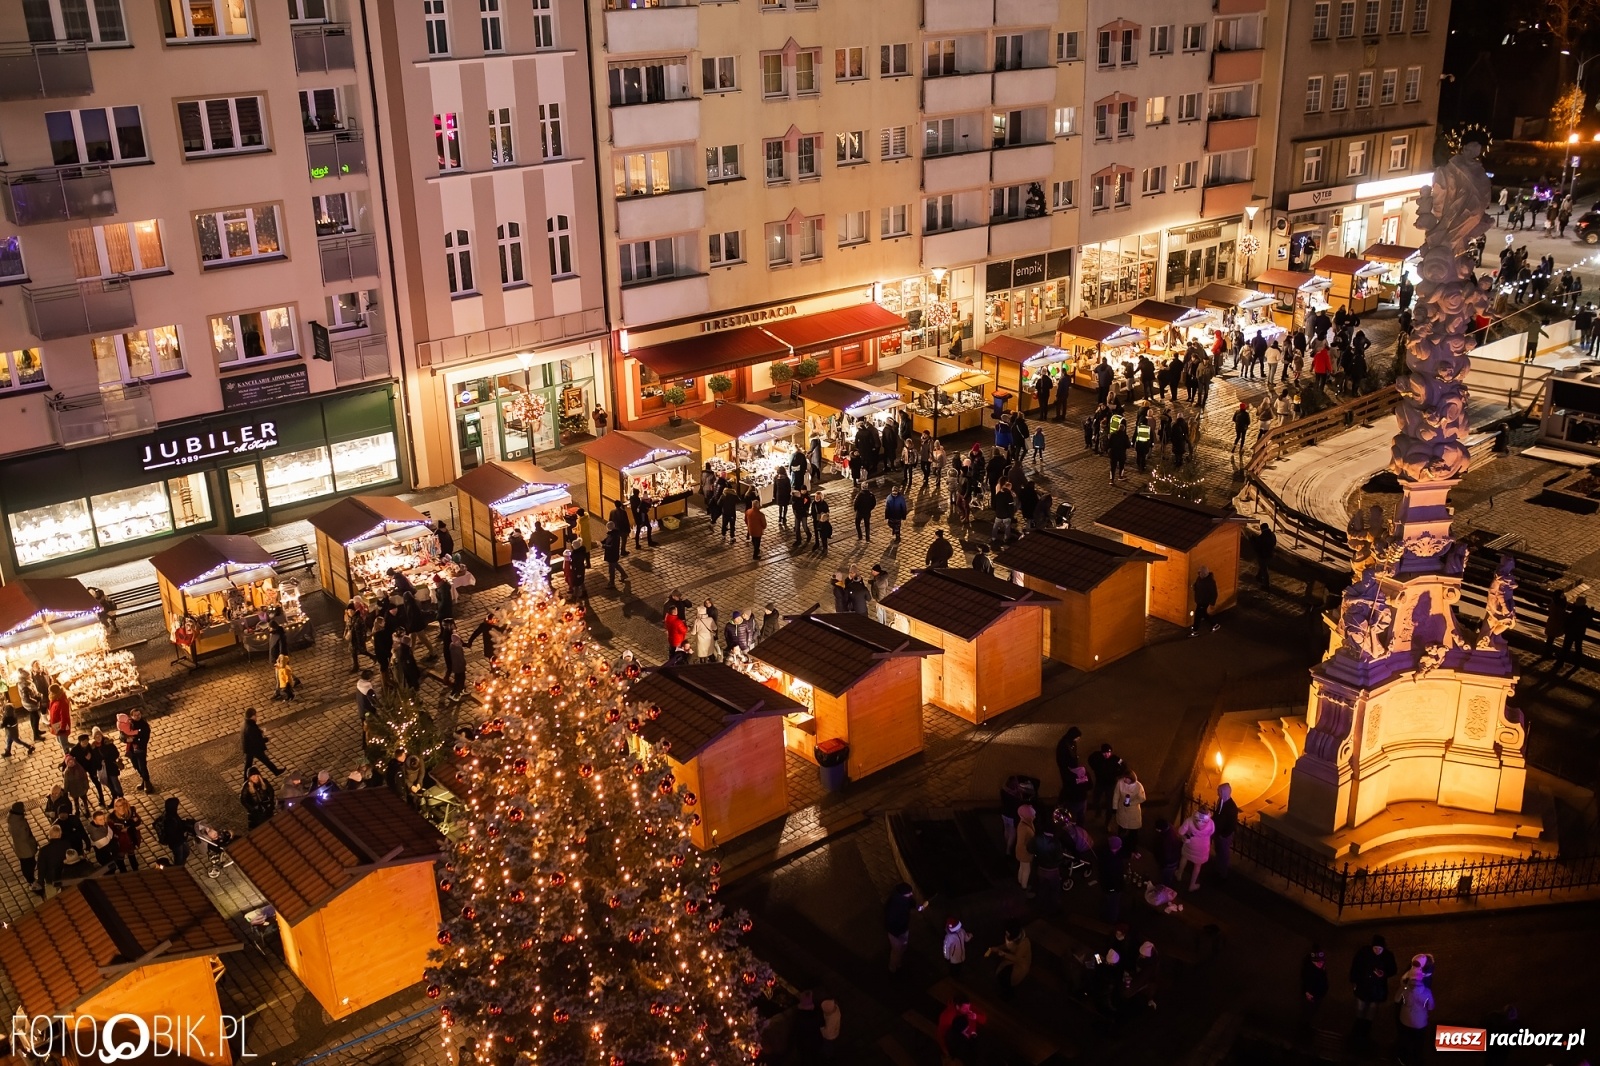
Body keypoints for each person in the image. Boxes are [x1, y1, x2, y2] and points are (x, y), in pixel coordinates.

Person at [1349, 934, 1398, 1045]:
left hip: (1377, 990)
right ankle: (1357, 1029)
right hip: (1363, 986)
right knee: (1360, 1009)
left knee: (1371, 1010)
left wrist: (1384, 973)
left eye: (1380, 949)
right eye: (1375, 948)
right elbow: (1355, 966)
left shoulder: (1388, 956)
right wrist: (1354, 981)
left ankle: (1366, 1031)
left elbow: (1393, 969)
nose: (1377, 951)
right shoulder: (1363, 953)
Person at [883, 882, 924, 972]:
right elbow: (890, 922)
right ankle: (892, 967)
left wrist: (917, 907)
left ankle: (898, 962)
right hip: (895, 933)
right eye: (909, 893)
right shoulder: (893, 906)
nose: (911, 894)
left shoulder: (905, 899)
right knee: (896, 951)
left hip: (903, 929)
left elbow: (911, 902)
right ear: (903, 894)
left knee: (903, 947)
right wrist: (896, 933)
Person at [986, 923, 1032, 1000]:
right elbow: (1008, 945)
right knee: (1002, 975)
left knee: (1007, 979)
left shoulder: (1024, 943)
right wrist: (998, 947)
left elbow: (1016, 958)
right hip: (1011, 961)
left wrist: (1003, 954)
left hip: (1020, 965)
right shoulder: (1014, 938)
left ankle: (1008, 995)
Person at [1177, 807, 1214, 890]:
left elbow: (1180, 832)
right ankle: (1192, 885)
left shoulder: (1190, 820)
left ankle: (1179, 874)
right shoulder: (1211, 823)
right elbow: (1212, 832)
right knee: (1197, 865)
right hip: (1203, 847)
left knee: (1184, 857)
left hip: (1190, 844)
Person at [1087, 742, 1125, 823]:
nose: (1107, 754)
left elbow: (1123, 765)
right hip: (1100, 783)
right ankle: (1098, 812)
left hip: (1110, 784)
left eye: (1108, 752)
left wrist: (1116, 773)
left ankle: (1108, 820)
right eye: (1104, 753)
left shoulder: (1115, 759)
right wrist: (1094, 768)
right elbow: (1090, 759)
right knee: (1096, 799)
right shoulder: (1098, 757)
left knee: (1109, 802)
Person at [242, 707, 283, 777]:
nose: (256, 717)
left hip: (248, 748)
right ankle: (276, 771)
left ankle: (245, 779)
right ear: (252, 716)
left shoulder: (246, 723)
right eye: (255, 715)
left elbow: (253, 734)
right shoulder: (250, 727)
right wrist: (267, 739)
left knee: (248, 765)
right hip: (254, 748)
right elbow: (257, 740)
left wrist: (259, 731)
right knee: (265, 760)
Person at [1113, 769, 1146, 853]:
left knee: (1133, 831)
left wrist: (1131, 803)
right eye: (1124, 777)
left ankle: (1132, 848)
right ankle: (1119, 846)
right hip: (1122, 808)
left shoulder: (1138, 786)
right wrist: (1115, 807)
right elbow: (1116, 795)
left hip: (1133, 810)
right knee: (1121, 828)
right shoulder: (1120, 783)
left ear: (1131, 778)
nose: (1124, 779)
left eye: (1126, 778)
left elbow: (1142, 798)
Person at [155, 796, 194, 868]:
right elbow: (172, 834)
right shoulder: (169, 820)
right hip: (176, 843)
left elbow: (178, 823)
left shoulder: (173, 814)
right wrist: (183, 832)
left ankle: (181, 866)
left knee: (186, 852)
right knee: (179, 858)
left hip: (180, 840)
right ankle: (178, 869)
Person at [9, 801, 39, 890]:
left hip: (21, 847)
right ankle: (31, 881)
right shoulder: (20, 823)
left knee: (28, 863)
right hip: (25, 848)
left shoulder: (12, 819)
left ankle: (31, 879)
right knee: (28, 864)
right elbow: (25, 837)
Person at [122, 707, 153, 793]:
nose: (138, 716)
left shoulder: (144, 725)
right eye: (135, 715)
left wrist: (134, 740)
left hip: (140, 749)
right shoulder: (128, 724)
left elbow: (145, 739)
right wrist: (126, 740)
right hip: (131, 750)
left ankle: (147, 783)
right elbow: (122, 735)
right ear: (131, 716)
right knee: (136, 765)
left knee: (142, 766)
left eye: (139, 714)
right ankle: (143, 780)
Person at [1213, 782, 1239, 878]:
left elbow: (1231, 825)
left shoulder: (1232, 808)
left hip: (1224, 836)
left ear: (1223, 792)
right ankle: (1218, 869)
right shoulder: (1221, 801)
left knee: (1223, 854)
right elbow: (1217, 814)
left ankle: (1222, 874)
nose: (1217, 793)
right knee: (1219, 851)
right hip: (1218, 833)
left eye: (1219, 791)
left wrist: (1223, 835)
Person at [1558, 594, 1592, 666]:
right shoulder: (1586, 611)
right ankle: (1577, 662)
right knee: (1578, 647)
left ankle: (1560, 661)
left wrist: (1565, 628)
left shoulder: (1576, 611)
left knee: (1566, 647)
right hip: (1580, 632)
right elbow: (1589, 622)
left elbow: (1569, 621)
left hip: (1571, 631)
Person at [1300, 944, 1329, 1028]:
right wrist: (1307, 992)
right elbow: (1305, 982)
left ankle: (1306, 1025)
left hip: (1318, 995)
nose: (1320, 963)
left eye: (1321, 961)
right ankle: (1304, 1026)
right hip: (1311, 995)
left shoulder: (1322, 969)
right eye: (1316, 962)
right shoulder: (1309, 970)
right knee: (1308, 1011)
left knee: (1313, 1011)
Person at [1014, 804, 1036, 890]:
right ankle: (1024, 886)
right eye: (1032, 815)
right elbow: (1023, 842)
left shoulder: (1022, 823)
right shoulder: (1025, 828)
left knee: (1022, 867)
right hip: (1025, 852)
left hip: (1021, 851)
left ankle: (1020, 881)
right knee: (1027, 870)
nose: (1034, 817)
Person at [1192, 565, 1220, 634]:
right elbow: (1197, 584)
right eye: (1200, 573)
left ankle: (1195, 630)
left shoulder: (1210, 582)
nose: (1200, 574)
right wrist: (1194, 587)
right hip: (1200, 600)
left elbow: (1214, 593)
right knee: (1203, 614)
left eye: (1201, 573)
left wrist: (1212, 603)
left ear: (1205, 574)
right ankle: (1214, 624)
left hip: (1204, 601)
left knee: (1198, 615)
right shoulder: (1200, 578)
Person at [444, 630, 468, 704]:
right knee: (459, 680)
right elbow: (460, 658)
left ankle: (461, 690)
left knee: (461, 679)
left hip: (458, 666)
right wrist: (464, 663)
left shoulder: (453, 646)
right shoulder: (457, 648)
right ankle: (453, 694)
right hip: (459, 667)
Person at [47, 683, 71, 755]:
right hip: (56, 724)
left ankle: (79, 747)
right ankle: (67, 756)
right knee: (59, 741)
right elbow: (52, 711)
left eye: (50, 692)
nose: (49, 693)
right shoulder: (54, 699)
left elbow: (64, 717)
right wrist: (51, 721)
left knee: (64, 744)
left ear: (54, 692)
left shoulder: (62, 702)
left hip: (61, 726)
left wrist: (62, 728)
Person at [1252, 523, 1277, 588]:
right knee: (1263, 566)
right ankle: (1258, 576)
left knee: (1264, 569)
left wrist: (1253, 541)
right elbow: (1274, 543)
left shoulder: (1261, 537)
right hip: (1270, 554)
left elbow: (1257, 547)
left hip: (1263, 555)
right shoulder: (1272, 535)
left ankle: (1266, 585)